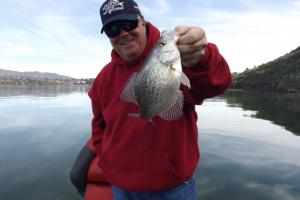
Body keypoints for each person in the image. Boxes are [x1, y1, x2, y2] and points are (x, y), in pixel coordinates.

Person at [88, 0, 232, 199]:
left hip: (173, 187)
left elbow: (215, 84)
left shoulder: (178, 57)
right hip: (121, 186)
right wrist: (106, 158)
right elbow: (98, 125)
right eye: (112, 29)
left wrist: (201, 59)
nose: (122, 33)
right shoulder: (103, 78)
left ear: (143, 23)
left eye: (128, 24)